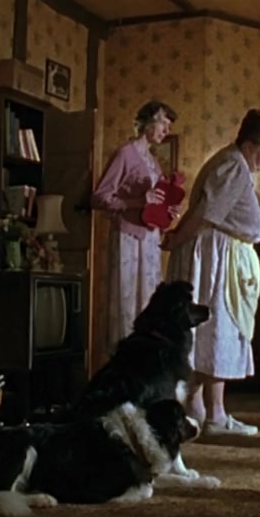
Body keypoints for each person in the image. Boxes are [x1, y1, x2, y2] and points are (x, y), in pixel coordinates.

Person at [163, 109, 260, 436]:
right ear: (249, 146)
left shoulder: (234, 163)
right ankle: (211, 413)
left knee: (214, 329)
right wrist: (178, 238)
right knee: (217, 326)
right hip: (216, 258)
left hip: (220, 252)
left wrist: (179, 236)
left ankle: (201, 410)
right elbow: (205, 214)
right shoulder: (232, 166)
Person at [91, 100, 179, 352]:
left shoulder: (153, 161)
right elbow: (99, 198)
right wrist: (138, 201)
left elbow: (153, 204)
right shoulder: (125, 153)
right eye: (163, 123)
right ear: (147, 122)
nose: (166, 130)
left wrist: (166, 211)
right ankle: (125, 359)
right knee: (127, 300)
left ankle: (146, 359)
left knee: (149, 301)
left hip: (150, 240)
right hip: (128, 238)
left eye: (169, 125)